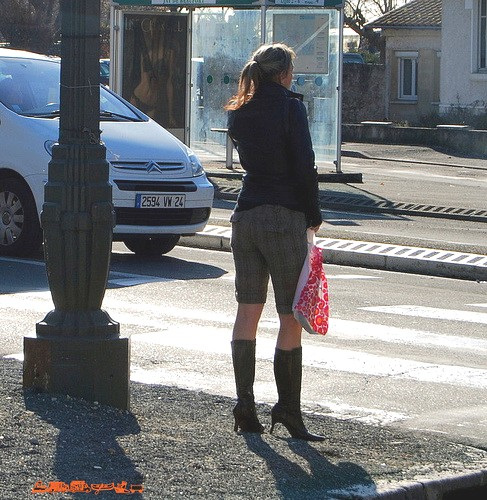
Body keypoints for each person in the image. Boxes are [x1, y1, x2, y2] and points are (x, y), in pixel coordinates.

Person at [225, 43, 324, 441]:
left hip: (244, 215)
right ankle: (287, 410)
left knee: (247, 311)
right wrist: (313, 214)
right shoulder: (289, 107)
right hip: (283, 216)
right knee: (290, 315)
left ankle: (245, 406)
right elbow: (305, 164)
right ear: (283, 73)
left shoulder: (239, 111)